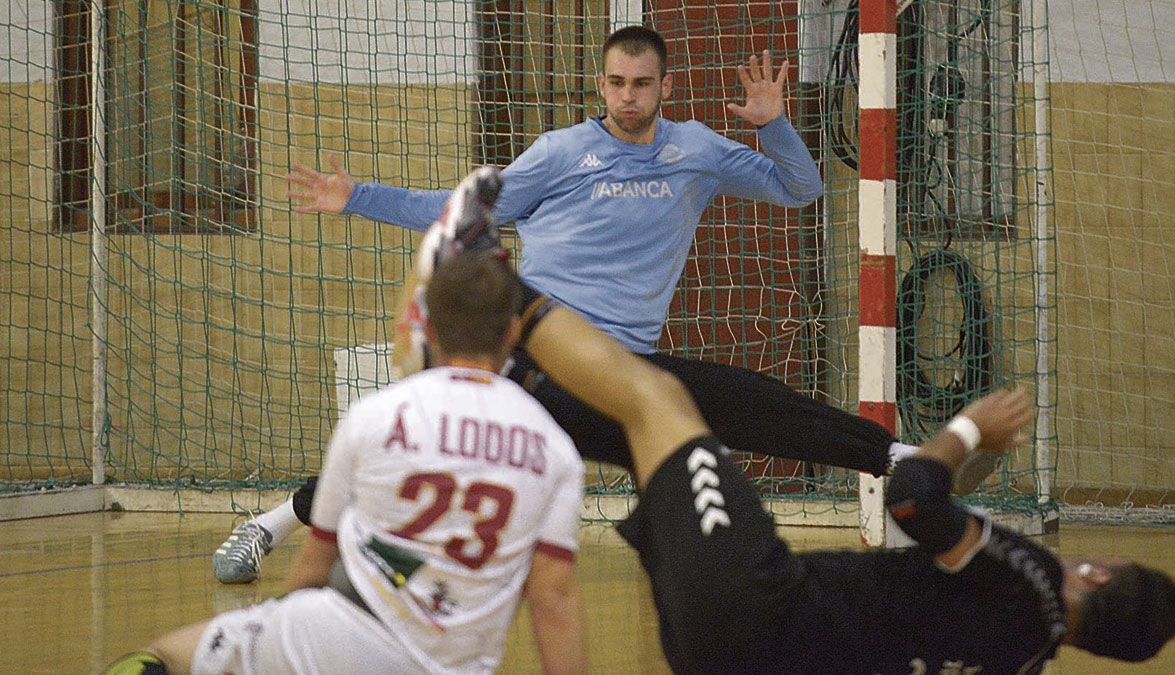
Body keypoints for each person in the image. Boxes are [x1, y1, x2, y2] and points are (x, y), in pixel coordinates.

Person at [214, 24, 933, 583]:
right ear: (601, 84)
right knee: (424, 446)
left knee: (743, 401)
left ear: (664, 86)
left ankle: (898, 455)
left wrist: (774, 124)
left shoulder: (697, 151)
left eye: (642, 84)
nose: (628, 96)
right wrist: (355, 197)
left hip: (621, 367)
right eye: (616, 82)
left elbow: (800, 187)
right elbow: (461, 208)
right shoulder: (558, 153)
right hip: (537, 357)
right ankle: (272, 525)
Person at [500, 199, 1175, 673]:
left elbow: (915, 500)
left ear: (1097, 574)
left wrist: (965, 427)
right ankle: (514, 386)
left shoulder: (1032, 578)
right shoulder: (1022, 657)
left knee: (662, 400)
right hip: (728, 656)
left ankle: (496, 292)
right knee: (660, 446)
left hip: (763, 597)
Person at [108, 225, 588, 672]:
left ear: (431, 330)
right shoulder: (555, 448)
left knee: (166, 654)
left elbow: (314, 568)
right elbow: (554, 602)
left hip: (336, 638)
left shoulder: (376, 416)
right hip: (456, 664)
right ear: (512, 333)